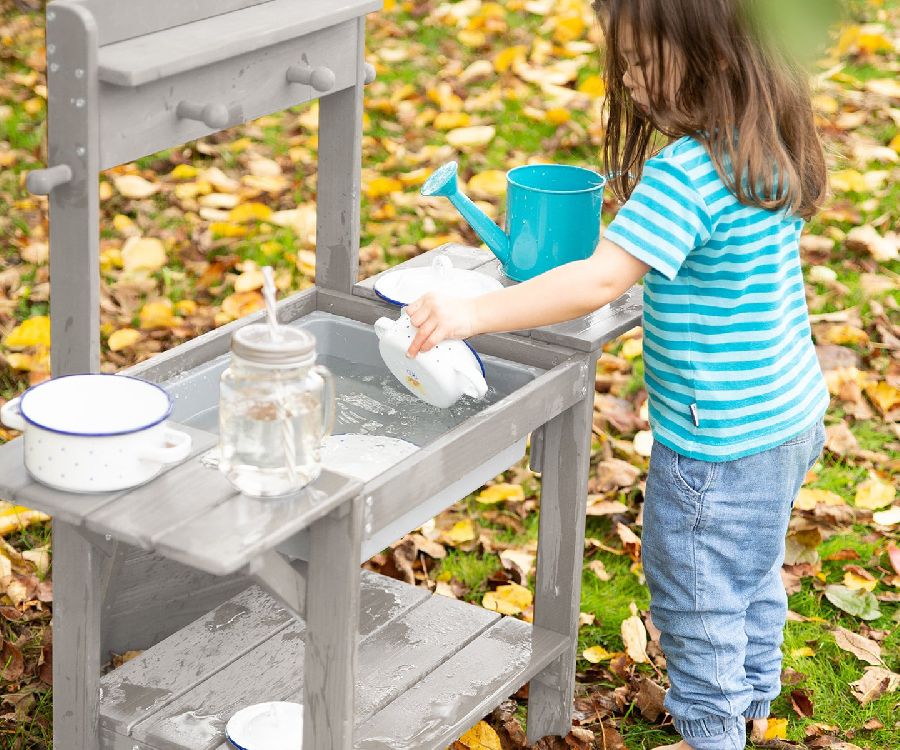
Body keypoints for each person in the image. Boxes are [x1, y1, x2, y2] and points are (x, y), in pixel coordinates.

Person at [403, 1, 830, 748]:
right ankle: (751, 700)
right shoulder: (765, 143)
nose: (626, 78)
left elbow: (599, 281)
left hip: (718, 442)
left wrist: (472, 313)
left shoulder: (684, 173)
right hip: (788, 416)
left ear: (710, 56)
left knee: (696, 594)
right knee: (751, 570)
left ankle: (713, 730)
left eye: (639, 61)